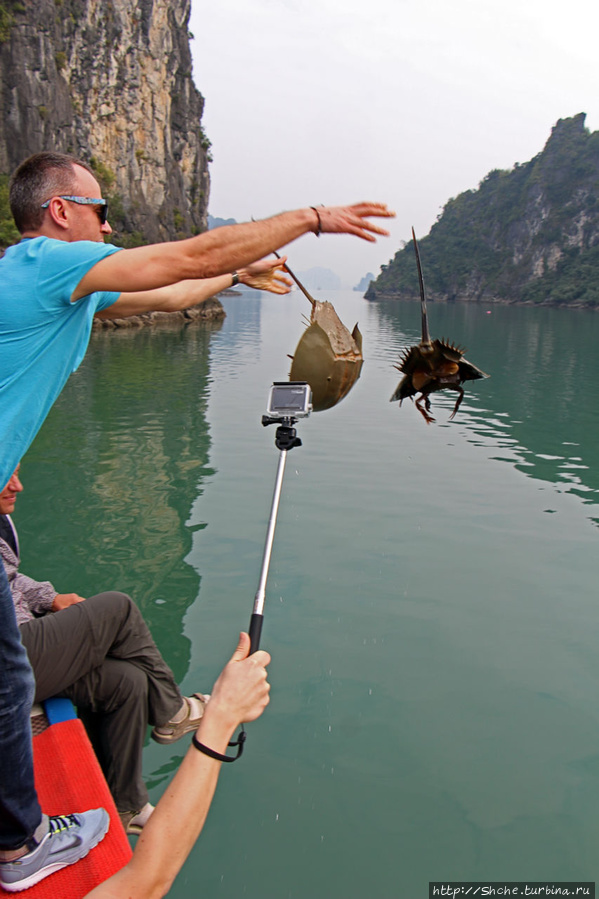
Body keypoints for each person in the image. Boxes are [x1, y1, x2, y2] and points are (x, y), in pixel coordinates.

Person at [0, 149, 394, 890]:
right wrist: (312, 218)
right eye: (101, 210)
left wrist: (239, 277)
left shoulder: (66, 288)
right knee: (6, 679)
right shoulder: (45, 264)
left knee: (101, 678)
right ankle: (20, 848)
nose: (109, 224)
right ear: (59, 213)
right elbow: (190, 251)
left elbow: (173, 290)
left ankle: (136, 779)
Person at [0, 464, 215, 834]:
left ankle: (125, 805)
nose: (18, 485)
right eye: (6, 475)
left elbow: (11, 579)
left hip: (21, 649)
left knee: (126, 683)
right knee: (117, 608)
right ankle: (172, 711)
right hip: (9, 662)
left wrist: (51, 598)